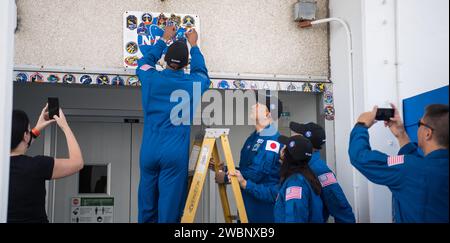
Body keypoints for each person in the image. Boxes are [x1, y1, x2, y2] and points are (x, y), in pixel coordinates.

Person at [136, 26, 211, 223]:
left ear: (165, 61)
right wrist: (193, 45)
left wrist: (163, 40)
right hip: (174, 153)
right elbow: (202, 73)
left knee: (146, 204)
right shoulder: (193, 83)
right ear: (186, 64)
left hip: (149, 151)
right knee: (169, 210)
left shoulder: (150, 77)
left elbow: (143, 62)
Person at [349, 104, 449, 223]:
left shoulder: (410, 169)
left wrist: (361, 125)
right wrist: (401, 135)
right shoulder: (425, 168)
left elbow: (359, 156)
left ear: (427, 133)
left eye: (419, 124)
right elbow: (419, 169)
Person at [8, 105, 84, 223]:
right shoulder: (36, 166)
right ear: (24, 136)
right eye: (28, 130)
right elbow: (77, 162)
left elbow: (18, 145)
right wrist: (65, 126)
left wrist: (37, 128)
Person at [214, 94, 283, 223]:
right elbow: (247, 169)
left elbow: (257, 173)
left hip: (262, 209)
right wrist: (224, 168)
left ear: (268, 113)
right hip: (248, 203)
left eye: (258, 105)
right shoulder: (253, 138)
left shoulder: (272, 140)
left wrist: (227, 176)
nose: (253, 106)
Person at [230, 135, 324, 223]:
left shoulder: (295, 185)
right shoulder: (300, 177)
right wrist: (245, 183)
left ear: (287, 156)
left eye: (284, 149)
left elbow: (294, 218)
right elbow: (272, 193)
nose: (280, 151)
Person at [290, 122, 355, 223]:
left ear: (305, 142)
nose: (292, 137)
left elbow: (342, 211)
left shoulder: (320, 171)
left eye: (297, 135)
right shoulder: (296, 165)